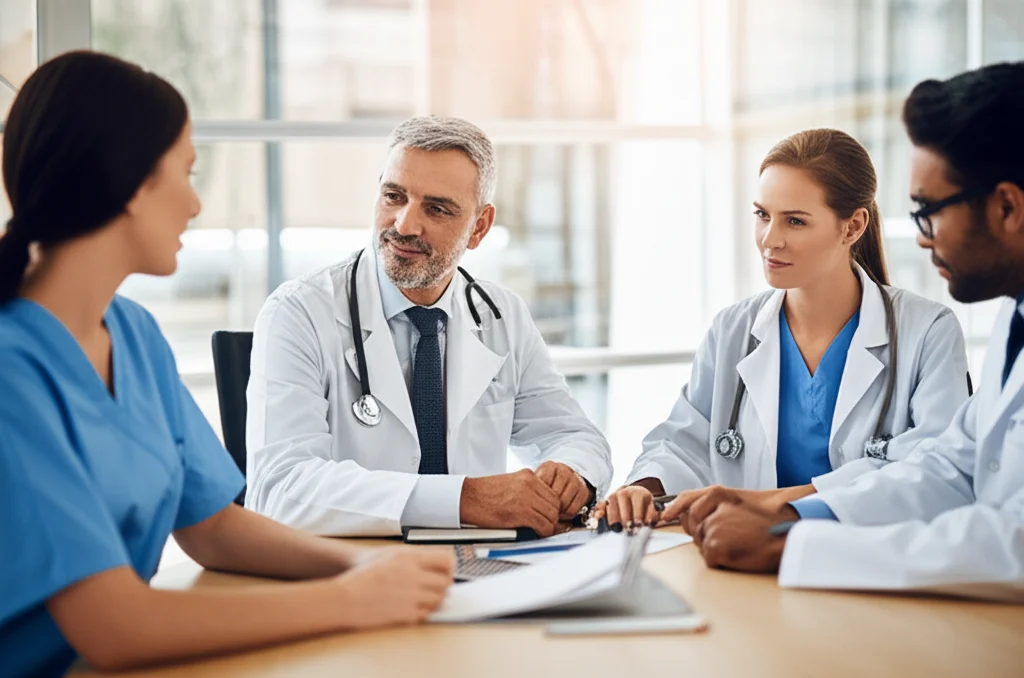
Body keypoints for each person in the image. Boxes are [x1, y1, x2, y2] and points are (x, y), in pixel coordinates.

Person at [0, 52, 454, 677]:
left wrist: (362, 566)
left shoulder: (132, 335)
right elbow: (114, 625)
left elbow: (212, 526)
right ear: (130, 183)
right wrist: (346, 602)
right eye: (185, 172)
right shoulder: (12, 372)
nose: (195, 203)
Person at [668, 62, 1024, 601]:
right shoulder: (1013, 326)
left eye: (929, 212)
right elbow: (949, 468)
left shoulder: (928, 328)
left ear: (1007, 206)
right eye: (762, 215)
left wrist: (792, 542)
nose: (923, 240)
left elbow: (1010, 542)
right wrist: (788, 513)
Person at [245, 116, 613, 537]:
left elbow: (576, 436)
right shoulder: (299, 313)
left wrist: (569, 473)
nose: (404, 225)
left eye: (436, 209)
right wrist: (466, 499)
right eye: (393, 196)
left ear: (479, 228)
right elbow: (279, 490)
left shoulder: (501, 315)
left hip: (478, 568)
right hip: (352, 573)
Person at [596, 128, 970, 529]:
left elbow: (935, 471)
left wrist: (767, 505)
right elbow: (682, 442)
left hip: (867, 559)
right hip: (743, 560)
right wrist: (644, 489)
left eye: (794, 221)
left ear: (853, 226)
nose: (769, 240)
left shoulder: (927, 331)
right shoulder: (733, 330)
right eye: (762, 215)